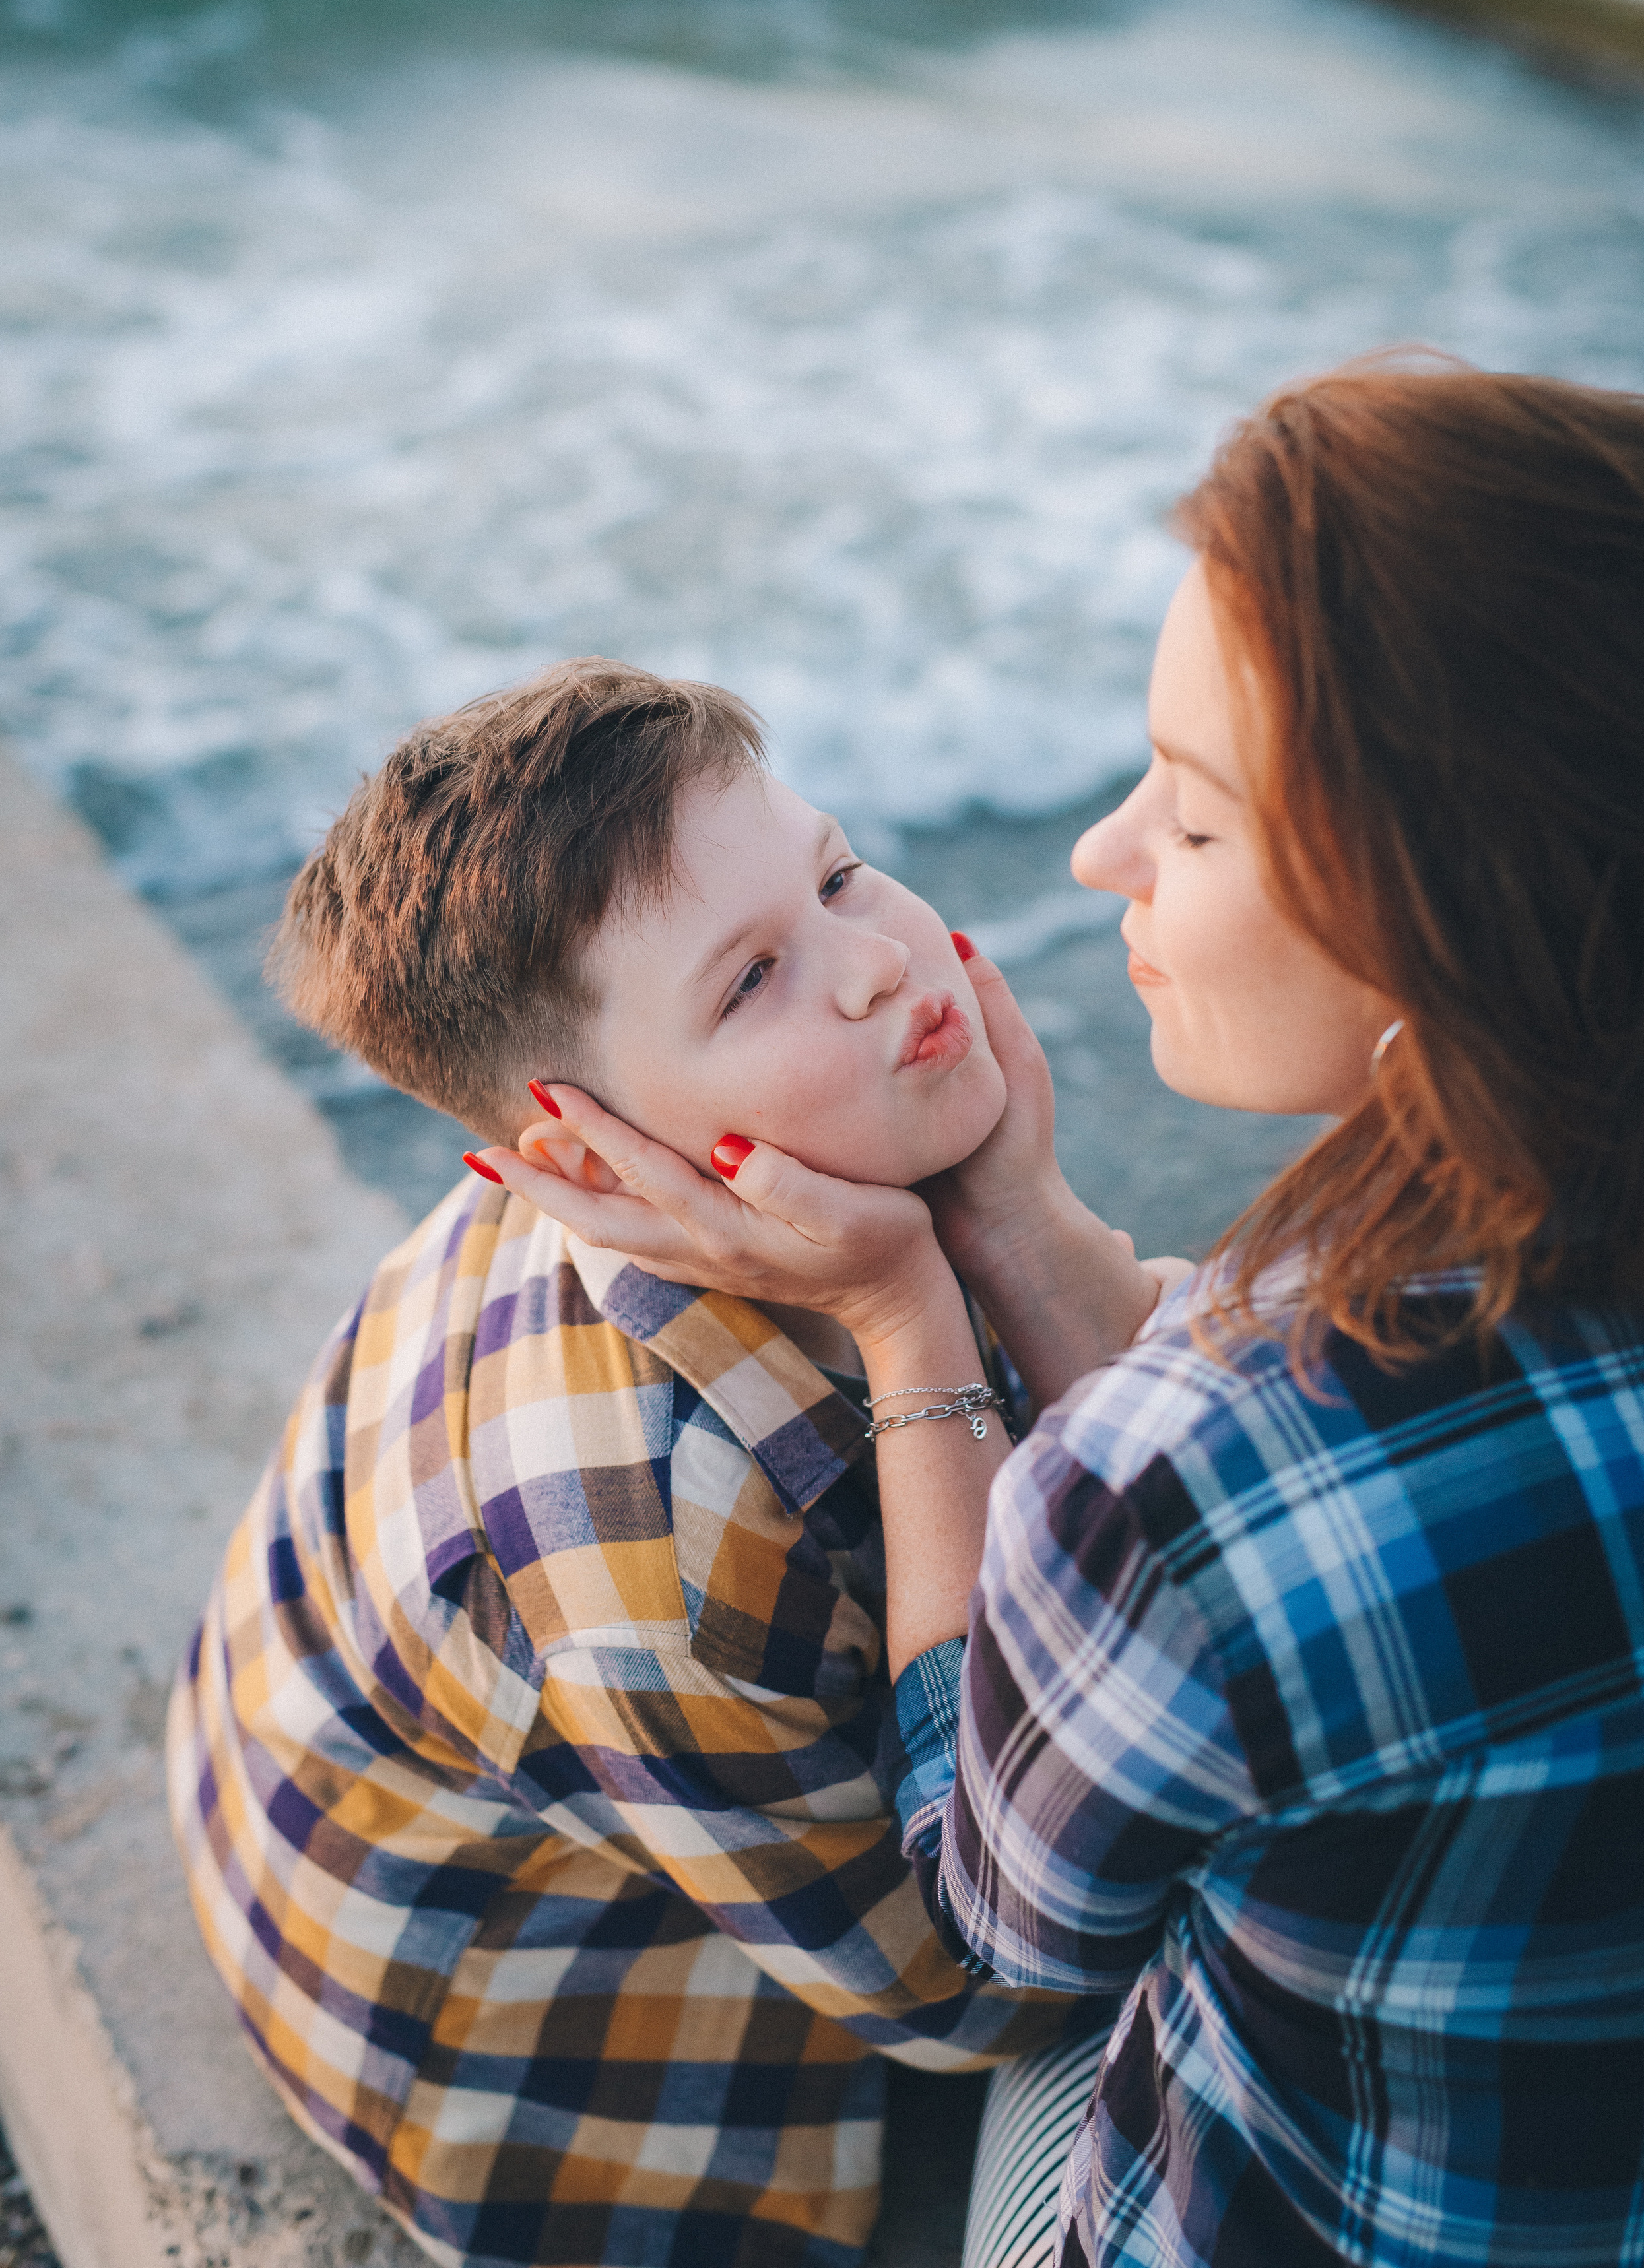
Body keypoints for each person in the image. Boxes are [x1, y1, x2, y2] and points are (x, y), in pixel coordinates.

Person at [484, 364, 1644, 2267]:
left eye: (1189, 822)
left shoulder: (1206, 1469)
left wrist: (912, 1323)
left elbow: (1000, 1922)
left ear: (1442, 909)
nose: (1099, 853)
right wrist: (1016, 1212)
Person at [169, 658, 1153, 2268]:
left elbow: (1168, 1485)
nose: (874, 965)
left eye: (835, 874)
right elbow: (994, 1979)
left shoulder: (714, 1171)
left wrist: (1013, 1220)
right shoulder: (657, 1572)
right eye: (752, 979)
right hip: (605, 2096)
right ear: (574, 1150)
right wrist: (912, 1311)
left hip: (669, 1847)